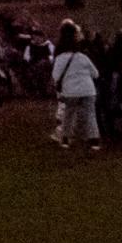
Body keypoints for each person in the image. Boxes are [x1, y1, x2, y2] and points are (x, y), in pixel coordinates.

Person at [50, 22, 102, 151]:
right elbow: (95, 74)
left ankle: (66, 139)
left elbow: (56, 76)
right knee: (90, 115)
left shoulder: (60, 58)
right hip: (88, 90)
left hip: (71, 91)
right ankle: (94, 140)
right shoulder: (82, 57)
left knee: (69, 115)